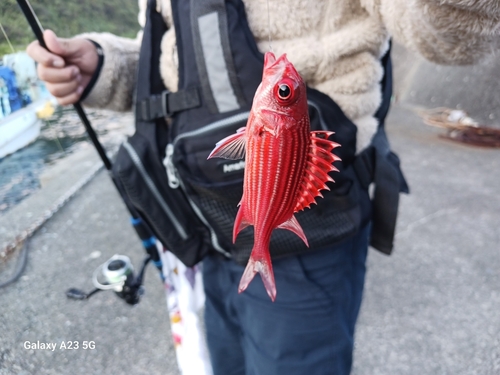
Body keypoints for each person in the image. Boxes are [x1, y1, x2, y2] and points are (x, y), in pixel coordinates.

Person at [27, 1, 500, 374]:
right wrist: (105, 66)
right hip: (211, 229)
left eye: (281, 90)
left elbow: (447, 34)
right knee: (226, 363)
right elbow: (178, 56)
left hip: (311, 242)